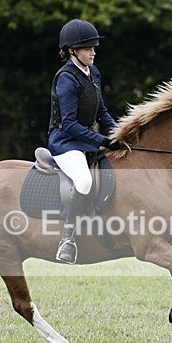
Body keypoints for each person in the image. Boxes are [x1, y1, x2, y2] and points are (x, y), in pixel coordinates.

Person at [47, 19, 122, 264]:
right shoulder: (66, 79)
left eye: (94, 47)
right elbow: (69, 124)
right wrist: (102, 140)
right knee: (84, 180)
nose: (93, 51)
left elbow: (102, 111)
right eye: (87, 48)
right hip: (66, 143)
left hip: (86, 140)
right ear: (72, 51)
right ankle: (67, 239)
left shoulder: (93, 72)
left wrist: (119, 133)